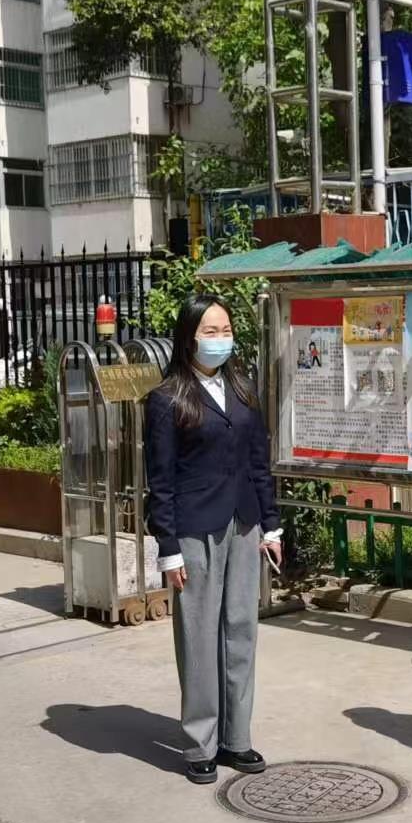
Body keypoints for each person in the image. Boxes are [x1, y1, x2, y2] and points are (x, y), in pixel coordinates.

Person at [144, 295, 283, 785]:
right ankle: (200, 743)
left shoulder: (242, 390)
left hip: (243, 523)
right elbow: (160, 481)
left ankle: (235, 738)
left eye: (225, 330)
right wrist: (168, 548)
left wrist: (271, 525)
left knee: (241, 630)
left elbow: (258, 461)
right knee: (200, 637)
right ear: (189, 338)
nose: (220, 339)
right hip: (194, 529)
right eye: (210, 331)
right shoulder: (167, 399)